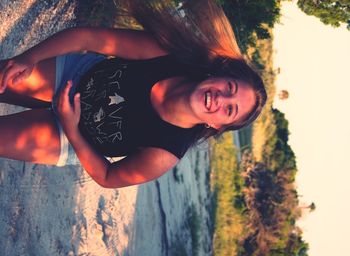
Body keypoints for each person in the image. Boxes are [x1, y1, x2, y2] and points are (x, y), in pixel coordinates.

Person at [0, 0, 266, 188]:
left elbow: (107, 176)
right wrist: (29, 57)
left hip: (75, 137)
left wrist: (72, 128)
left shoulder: (165, 151)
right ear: (218, 76)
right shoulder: (169, 56)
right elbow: (87, 38)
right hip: (76, 75)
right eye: (230, 88)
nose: (221, 99)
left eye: (229, 110)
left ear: (216, 125)